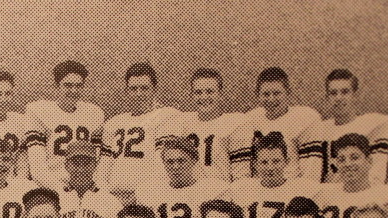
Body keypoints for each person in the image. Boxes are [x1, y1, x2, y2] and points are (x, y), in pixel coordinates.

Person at [98, 63, 182, 192]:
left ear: (154, 89)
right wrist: (104, 193)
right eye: (133, 88)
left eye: (144, 88)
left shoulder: (165, 116)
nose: (138, 94)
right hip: (113, 196)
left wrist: (147, 194)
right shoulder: (114, 123)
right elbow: (103, 166)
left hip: (146, 196)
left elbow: (161, 164)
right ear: (126, 91)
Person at [226, 67, 320, 180]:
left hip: (291, 188)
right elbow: (243, 166)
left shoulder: (303, 118)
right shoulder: (250, 120)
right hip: (260, 189)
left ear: (288, 92)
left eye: (276, 93)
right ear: (257, 95)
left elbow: (312, 168)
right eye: (266, 94)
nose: (271, 99)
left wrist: (303, 194)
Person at [225, 132, 320, 218]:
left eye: (276, 161)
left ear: (286, 161)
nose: (270, 168)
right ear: (255, 164)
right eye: (264, 162)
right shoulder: (243, 188)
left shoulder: (300, 189)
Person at [298, 69, 388, 182]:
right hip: (328, 195)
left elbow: (377, 173)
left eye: (345, 92)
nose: (339, 98)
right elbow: (311, 173)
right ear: (327, 98)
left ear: (355, 95)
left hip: (361, 194)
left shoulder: (372, 125)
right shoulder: (319, 130)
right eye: (333, 93)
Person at [135, 138, 225, 218]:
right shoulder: (151, 191)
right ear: (164, 163)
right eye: (170, 162)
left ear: (194, 161)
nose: (176, 167)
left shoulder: (211, 190)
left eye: (181, 161)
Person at [25, 61, 106, 188]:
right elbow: (38, 169)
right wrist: (63, 191)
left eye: (78, 86)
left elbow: (95, 163)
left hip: (83, 187)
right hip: (50, 186)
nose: (73, 90)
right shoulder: (39, 111)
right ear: (56, 86)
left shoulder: (93, 113)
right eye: (68, 85)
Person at [54, 140, 125, 218]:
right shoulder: (54, 200)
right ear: (66, 165)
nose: (81, 169)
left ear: (95, 165)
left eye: (87, 163)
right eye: (76, 163)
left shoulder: (111, 202)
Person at [170, 68, 244, 182]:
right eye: (198, 92)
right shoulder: (183, 122)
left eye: (209, 91)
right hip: (190, 194)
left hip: (220, 194)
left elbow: (241, 174)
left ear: (220, 94)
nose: (204, 97)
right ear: (191, 95)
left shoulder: (232, 123)